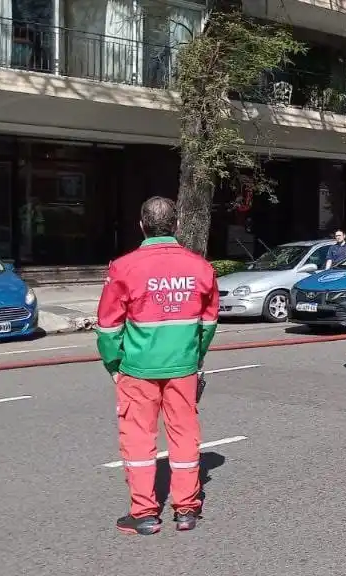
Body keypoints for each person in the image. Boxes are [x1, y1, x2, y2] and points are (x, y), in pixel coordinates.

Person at [95, 196, 218, 535]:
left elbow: (108, 328)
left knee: (138, 438)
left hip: (137, 368)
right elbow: (208, 325)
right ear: (176, 226)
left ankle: (145, 513)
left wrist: (114, 365)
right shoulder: (200, 267)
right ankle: (186, 510)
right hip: (183, 367)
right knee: (185, 436)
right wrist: (195, 356)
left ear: (141, 225)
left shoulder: (123, 267)